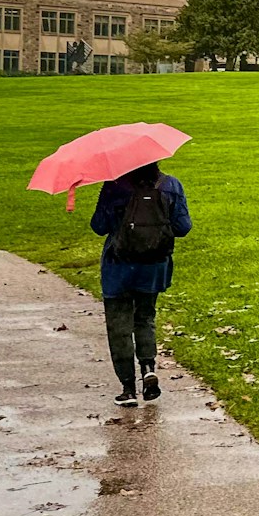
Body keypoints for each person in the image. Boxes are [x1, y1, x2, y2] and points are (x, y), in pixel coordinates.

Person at [89, 160, 193, 406]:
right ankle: (148, 367)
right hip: (154, 266)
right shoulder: (170, 185)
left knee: (119, 326)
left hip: (118, 266)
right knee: (145, 317)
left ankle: (128, 388)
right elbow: (183, 227)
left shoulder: (114, 187)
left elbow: (98, 226)